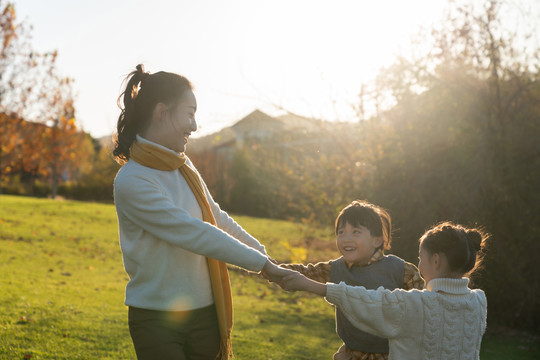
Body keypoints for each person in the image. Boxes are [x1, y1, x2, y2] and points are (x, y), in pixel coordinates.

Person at [112, 64, 292, 360]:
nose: (195, 126)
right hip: (156, 321)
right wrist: (262, 265)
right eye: (190, 113)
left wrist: (263, 255)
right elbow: (195, 232)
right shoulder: (133, 180)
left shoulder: (184, 166)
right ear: (162, 112)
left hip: (206, 314)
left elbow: (215, 216)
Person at [279, 221, 489, 360]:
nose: (418, 263)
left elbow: (366, 300)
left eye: (420, 257)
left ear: (435, 260)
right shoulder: (479, 302)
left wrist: (307, 284)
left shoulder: (416, 304)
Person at [280, 200, 424, 360]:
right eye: (341, 232)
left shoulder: (401, 270)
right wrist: (267, 266)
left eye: (356, 232)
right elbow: (306, 272)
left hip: (393, 354)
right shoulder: (335, 269)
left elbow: (426, 304)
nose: (346, 238)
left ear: (377, 240)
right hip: (352, 353)